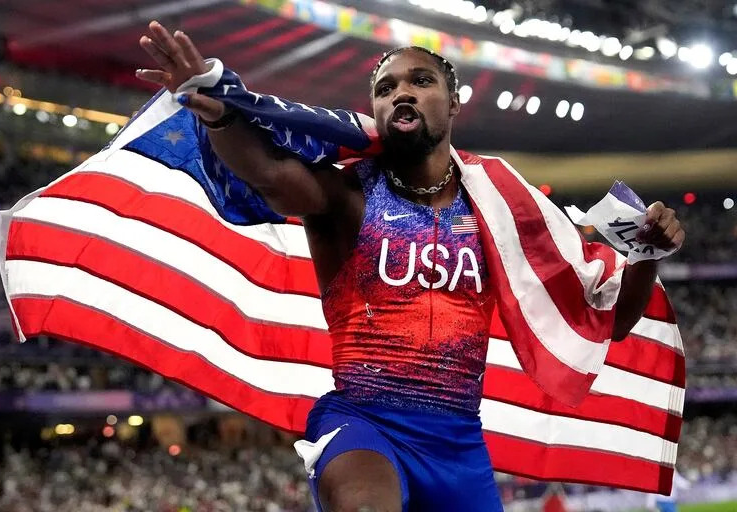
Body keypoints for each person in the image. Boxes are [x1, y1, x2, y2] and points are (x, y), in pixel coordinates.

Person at [136, 21, 685, 512]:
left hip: (458, 447)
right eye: (385, 87)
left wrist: (645, 256)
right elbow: (271, 175)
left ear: (453, 105)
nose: (401, 92)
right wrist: (221, 110)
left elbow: (607, 322)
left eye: (420, 81)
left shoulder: (503, 214)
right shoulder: (347, 196)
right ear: (374, 112)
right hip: (363, 424)